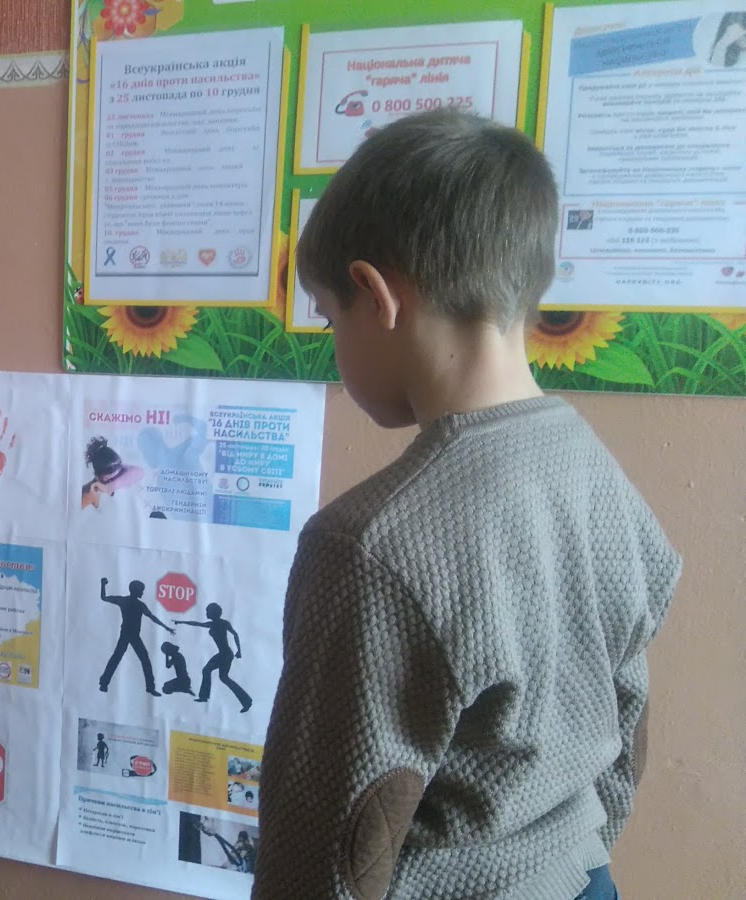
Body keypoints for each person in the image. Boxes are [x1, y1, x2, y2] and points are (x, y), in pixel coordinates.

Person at [253, 109, 679, 900]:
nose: (334, 341)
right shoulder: (595, 470)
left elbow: (328, 839)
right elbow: (626, 724)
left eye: (328, 316)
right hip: (586, 880)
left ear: (375, 294)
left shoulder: (367, 544)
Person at [97, 577, 174, 696]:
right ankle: (105, 683)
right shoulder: (139, 605)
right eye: (141, 591)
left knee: (119, 658)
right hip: (129, 635)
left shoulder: (125, 601)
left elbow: (104, 597)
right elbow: (152, 617)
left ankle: (104, 683)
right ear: (136, 591)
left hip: (130, 635)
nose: (142, 593)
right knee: (141, 659)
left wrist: (103, 584)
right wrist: (166, 627)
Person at [175, 603, 253, 712]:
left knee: (209, 671)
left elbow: (235, 634)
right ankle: (246, 701)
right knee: (223, 677)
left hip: (225, 654)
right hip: (224, 653)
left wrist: (239, 651)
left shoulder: (223, 623)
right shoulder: (213, 624)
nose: (206, 613)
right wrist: (181, 622)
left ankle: (205, 696)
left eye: (208, 611)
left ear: (214, 613)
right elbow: (197, 624)